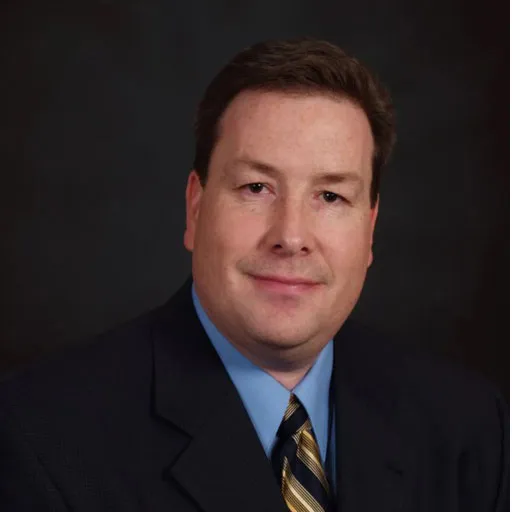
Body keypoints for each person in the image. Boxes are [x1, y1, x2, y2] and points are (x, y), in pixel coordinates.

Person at [0, 38, 507, 512]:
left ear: (370, 229)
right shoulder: (40, 439)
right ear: (195, 208)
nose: (291, 236)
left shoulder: (473, 429)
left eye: (331, 196)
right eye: (256, 188)